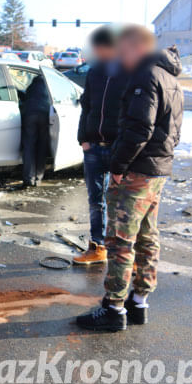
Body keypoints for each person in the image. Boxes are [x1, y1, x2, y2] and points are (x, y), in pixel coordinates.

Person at [76, 26, 183, 332]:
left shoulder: (145, 76)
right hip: (158, 170)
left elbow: (138, 128)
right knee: (148, 235)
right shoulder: (171, 77)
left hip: (137, 172)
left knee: (121, 240)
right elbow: (174, 131)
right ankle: (139, 302)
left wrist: (119, 165)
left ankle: (114, 308)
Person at [74, 27, 129, 265]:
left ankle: (124, 253)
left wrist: (125, 148)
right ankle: (97, 248)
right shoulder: (94, 73)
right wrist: (83, 139)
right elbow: (86, 106)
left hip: (118, 148)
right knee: (96, 201)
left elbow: (134, 113)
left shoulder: (129, 73)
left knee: (121, 203)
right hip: (94, 147)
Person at [21, 73, 51, 187]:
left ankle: (29, 178)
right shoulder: (49, 87)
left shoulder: (31, 87)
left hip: (30, 115)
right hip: (44, 116)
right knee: (42, 147)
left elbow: (24, 98)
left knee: (29, 147)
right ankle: (38, 178)